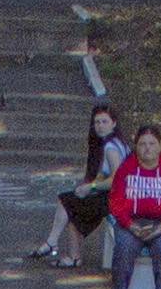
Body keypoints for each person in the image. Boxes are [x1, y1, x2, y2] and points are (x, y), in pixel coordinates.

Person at [104, 126, 161, 289]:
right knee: (124, 247)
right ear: (136, 146)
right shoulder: (126, 169)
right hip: (131, 223)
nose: (147, 148)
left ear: (160, 146)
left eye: (152, 144)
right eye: (142, 144)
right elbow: (116, 202)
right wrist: (130, 225)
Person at [43, 99, 123, 269]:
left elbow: (116, 180)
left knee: (67, 201)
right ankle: (71, 255)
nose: (100, 126)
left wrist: (91, 187)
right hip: (112, 196)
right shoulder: (115, 143)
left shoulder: (111, 147)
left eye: (104, 122)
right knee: (73, 202)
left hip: (116, 199)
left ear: (114, 123)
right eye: (97, 122)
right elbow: (105, 175)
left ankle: (53, 243)